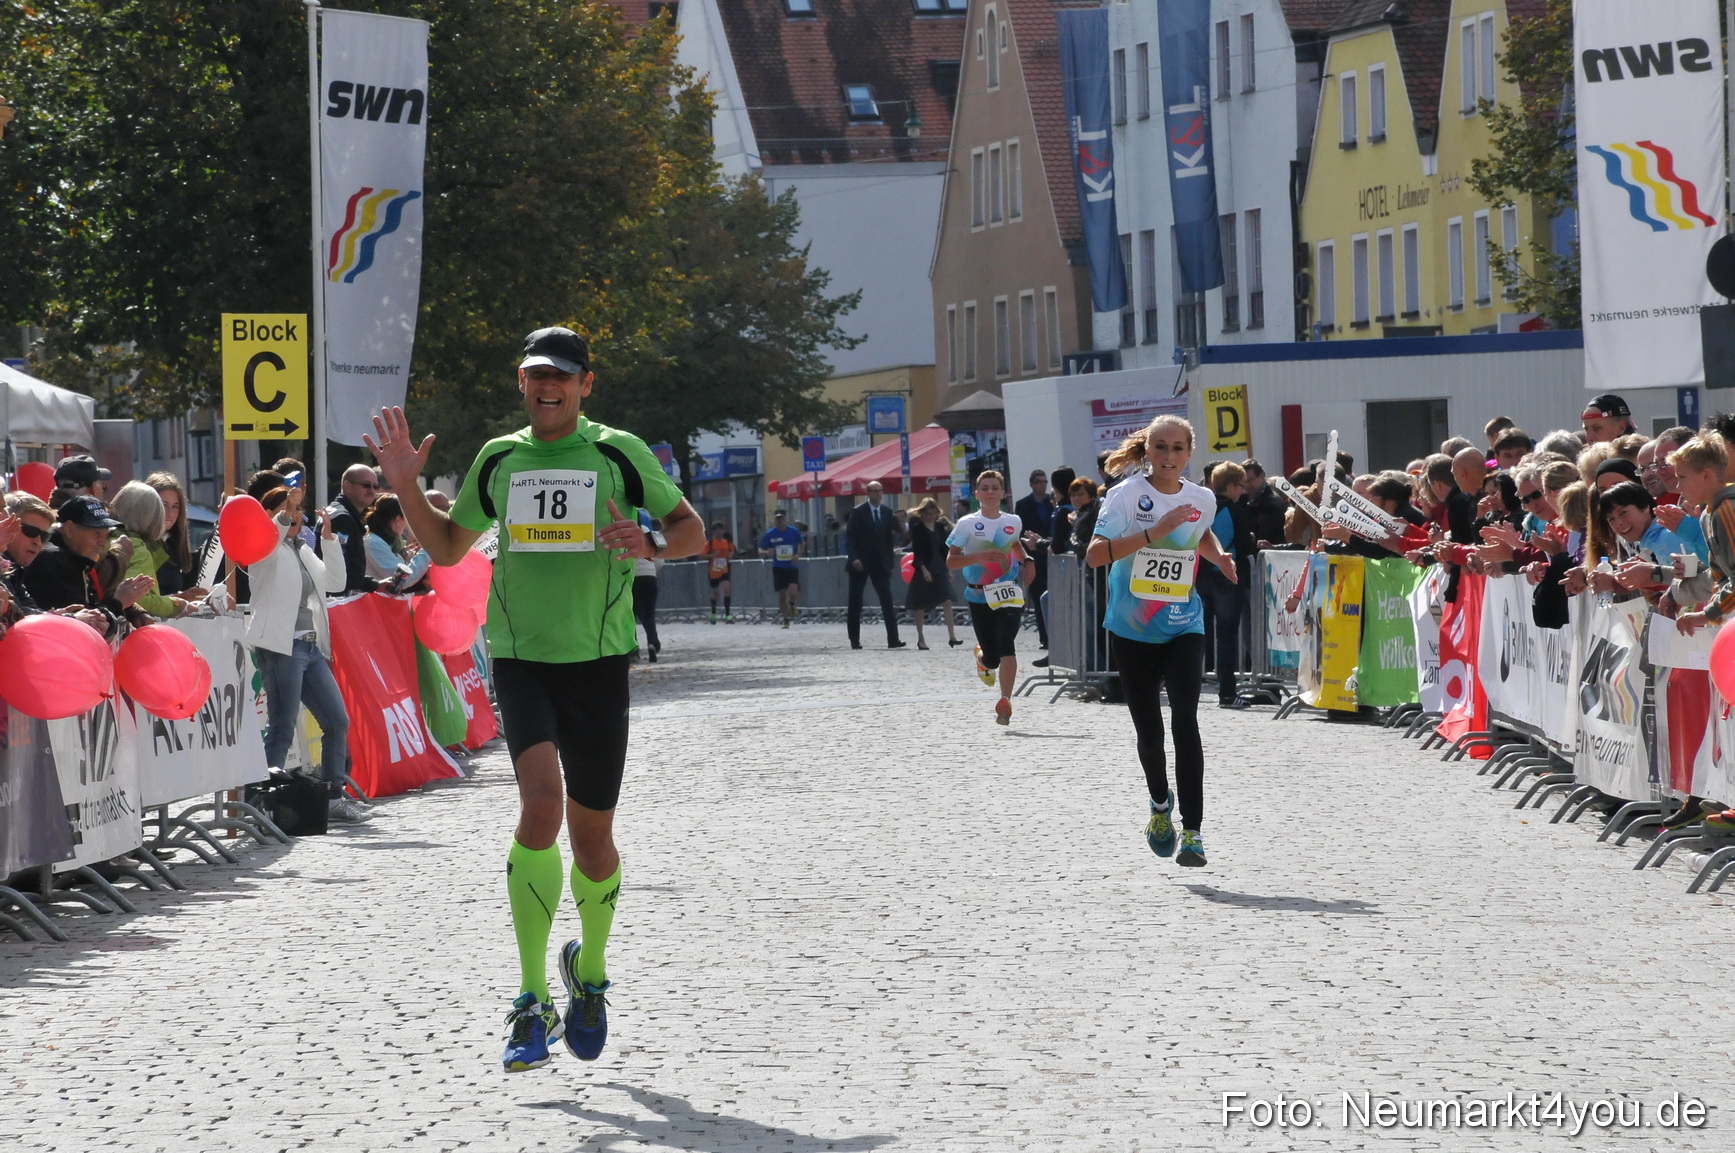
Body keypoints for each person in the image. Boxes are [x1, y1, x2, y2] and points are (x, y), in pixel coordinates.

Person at [363, 325, 703, 1073]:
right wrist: (404, 485)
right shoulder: (499, 457)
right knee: (539, 807)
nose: (547, 386)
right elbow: (449, 548)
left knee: (591, 839)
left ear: (585, 384)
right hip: (521, 661)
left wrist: (649, 544)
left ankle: (588, 974)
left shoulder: (619, 452)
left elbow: (692, 531)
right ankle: (528, 998)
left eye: (562, 375)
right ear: (520, 382)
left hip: (598, 664)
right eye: (535, 374)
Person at [1085, 414, 1236, 869]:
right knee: (1149, 734)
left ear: (1189, 454)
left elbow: (1199, 533)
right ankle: (1158, 805)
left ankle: (1193, 832)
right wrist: (1155, 531)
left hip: (1182, 622)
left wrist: (1219, 556)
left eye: (1177, 449)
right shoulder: (1125, 496)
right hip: (1132, 629)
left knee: (1186, 723)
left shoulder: (1202, 497)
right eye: (1160, 447)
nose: (1169, 456)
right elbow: (1095, 555)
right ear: (1146, 451)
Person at [245, 484, 367, 827]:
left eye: (298, 510)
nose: (296, 516)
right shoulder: (262, 550)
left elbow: (336, 582)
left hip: (309, 646)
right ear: (271, 516)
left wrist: (328, 540)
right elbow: (270, 540)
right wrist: (283, 514)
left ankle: (330, 798)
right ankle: (262, 804)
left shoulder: (300, 549)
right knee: (282, 726)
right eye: (288, 511)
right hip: (282, 646)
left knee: (336, 721)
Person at [947, 470, 1031, 724]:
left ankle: (1005, 700)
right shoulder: (966, 524)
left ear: (1003, 493)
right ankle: (983, 659)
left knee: (1007, 642)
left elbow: (1014, 543)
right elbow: (951, 561)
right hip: (979, 593)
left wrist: (1027, 559)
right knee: (993, 657)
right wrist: (980, 557)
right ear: (977, 494)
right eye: (985, 488)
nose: (990, 492)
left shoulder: (1013, 521)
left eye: (995, 487)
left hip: (1007, 591)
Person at [22, 495, 155, 636]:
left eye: (106, 535)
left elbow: (91, 604)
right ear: (69, 529)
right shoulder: (53, 559)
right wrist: (119, 602)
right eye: (97, 534)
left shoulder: (75, 554)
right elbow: (86, 626)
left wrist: (132, 610)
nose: (103, 543)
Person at [1200, 462, 1253, 709]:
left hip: (1201, 577)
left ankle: (1185, 688)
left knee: (1196, 636)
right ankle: (1228, 694)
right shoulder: (1235, 510)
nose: (1243, 491)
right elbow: (1244, 546)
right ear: (1230, 486)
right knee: (1227, 637)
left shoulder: (1204, 508)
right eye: (1241, 486)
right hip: (1226, 577)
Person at [108, 481, 196, 620]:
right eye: (162, 508)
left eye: (175, 507)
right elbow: (140, 598)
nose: (167, 514)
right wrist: (177, 606)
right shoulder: (138, 550)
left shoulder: (105, 539)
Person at [845, 480, 905, 650]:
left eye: (880, 491)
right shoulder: (858, 512)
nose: (879, 494)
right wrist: (854, 558)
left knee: (887, 600)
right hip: (860, 563)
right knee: (856, 602)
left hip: (880, 563)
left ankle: (893, 639)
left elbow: (888, 540)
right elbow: (850, 537)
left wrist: (890, 564)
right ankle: (854, 639)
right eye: (875, 491)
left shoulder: (887, 512)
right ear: (868, 493)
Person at [905, 497, 959, 649]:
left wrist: (947, 569)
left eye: (933, 513)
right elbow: (918, 551)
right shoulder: (917, 528)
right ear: (922, 513)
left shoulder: (940, 528)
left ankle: (952, 636)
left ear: (937, 513)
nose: (930, 516)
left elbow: (944, 549)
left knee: (947, 600)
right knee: (920, 604)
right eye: (927, 513)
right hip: (924, 567)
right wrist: (923, 569)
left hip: (939, 565)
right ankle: (921, 638)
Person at [325, 464, 383, 595]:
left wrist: (373, 584)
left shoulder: (344, 515)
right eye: (366, 485)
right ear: (348, 486)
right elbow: (339, 570)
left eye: (376, 486)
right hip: (335, 599)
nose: (372, 491)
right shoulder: (342, 519)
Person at [1014, 469, 1054, 648]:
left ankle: (1056, 634)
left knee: (1054, 597)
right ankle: (1045, 637)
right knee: (1039, 598)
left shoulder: (1051, 502)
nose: (1042, 485)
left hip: (1051, 556)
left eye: (1044, 481)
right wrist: (1023, 561)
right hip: (1034, 558)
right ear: (1031, 484)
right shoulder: (1023, 505)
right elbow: (1019, 535)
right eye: (1038, 482)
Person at [363, 494, 430, 590]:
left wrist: (410, 558)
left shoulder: (381, 541)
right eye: (407, 518)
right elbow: (400, 581)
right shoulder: (374, 543)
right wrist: (427, 550)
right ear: (398, 520)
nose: (407, 524)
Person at [145, 471, 194, 594]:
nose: (170, 513)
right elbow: (143, 600)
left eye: (175, 506)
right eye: (164, 505)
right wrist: (178, 600)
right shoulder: (138, 542)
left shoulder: (174, 543)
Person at [757, 509, 804, 628]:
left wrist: (798, 555)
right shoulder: (770, 534)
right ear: (775, 520)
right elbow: (760, 550)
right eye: (777, 519)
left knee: (793, 591)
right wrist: (767, 552)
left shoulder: (793, 532)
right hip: (778, 567)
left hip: (791, 566)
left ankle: (792, 604)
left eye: (781, 519)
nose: (779, 521)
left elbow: (802, 543)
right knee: (782, 594)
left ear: (785, 519)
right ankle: (785, 619)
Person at [634, 514, 663, 662]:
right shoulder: (652, 532)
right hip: (650, 576)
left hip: (633, 578)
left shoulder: (623, 530)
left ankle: (632, 650)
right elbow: (660, 556)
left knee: (630, 615)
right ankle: (652, 642)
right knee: (649, 614)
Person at [701, 522, 735, 623]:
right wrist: (712, 555)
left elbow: (732, 552)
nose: (719, 532)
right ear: (714, 531)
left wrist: (731, 556)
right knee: (715, 593)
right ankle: (713, 613)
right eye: (717, 530)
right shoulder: (710, 543)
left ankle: (728, 615)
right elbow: (702, 555)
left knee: (727, 589)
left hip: (724, 570)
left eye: (721, 530)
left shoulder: (727, 543)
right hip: (714, 571)